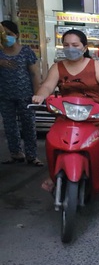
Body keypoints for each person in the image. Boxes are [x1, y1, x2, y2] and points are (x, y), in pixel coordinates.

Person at [32, 29, 99, 214]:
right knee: (53, 142)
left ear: (84, 47)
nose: (71, 49)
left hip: (95, 117)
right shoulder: (58, 67)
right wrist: (40, 95)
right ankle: (53, 174)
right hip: (67, 116)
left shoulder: (95, 66)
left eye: (75, 45)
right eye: (67, 45)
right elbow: (47, 85)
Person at [0, 20, 43, 166]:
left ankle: (32, 156)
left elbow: (35, 74)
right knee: (9, 125)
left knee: (28, 125)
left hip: (26, 96)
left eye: (9, 34)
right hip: (5, 96)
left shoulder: (26, 52)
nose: (6, 37)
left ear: (17, 35)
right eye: (3, 34)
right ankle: (16, 153)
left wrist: (38, 94)